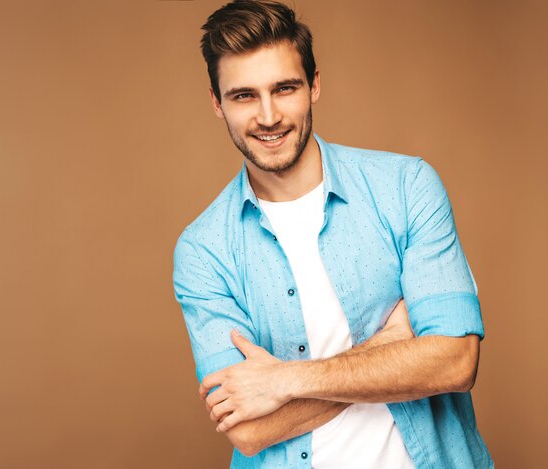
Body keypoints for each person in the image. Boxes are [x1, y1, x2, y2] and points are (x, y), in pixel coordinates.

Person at [173, 1, 493, 467]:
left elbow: (456, 362)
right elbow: (248, 430)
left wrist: (283, 380)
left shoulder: (406, 187)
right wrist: (394, 344)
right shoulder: (204, 252)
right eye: (244, 96)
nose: (267, 116)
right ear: (216, 103)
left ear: (314, 84)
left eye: (284, 88)